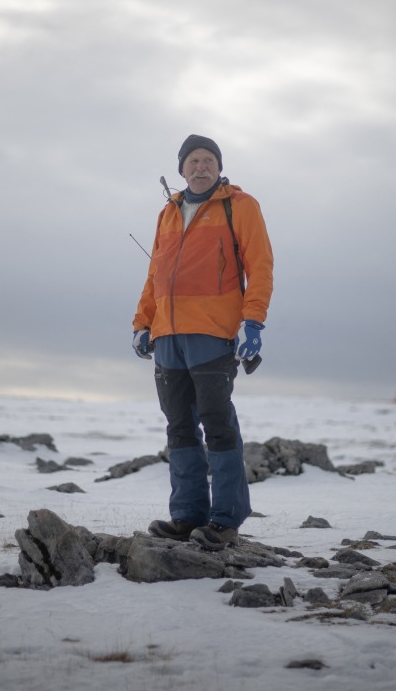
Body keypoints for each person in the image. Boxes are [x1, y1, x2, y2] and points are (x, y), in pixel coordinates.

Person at [131, 134, 274, 551]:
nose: (201, 166)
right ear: (182, 169)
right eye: (193, 160)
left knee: (217, 423)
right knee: (179, 426)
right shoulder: (168, 213)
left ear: (218, 167)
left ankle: (225, 519)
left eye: (208, 159)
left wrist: (253, 321)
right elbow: (155, 275)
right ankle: (187, 515)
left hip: (213, 332)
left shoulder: (240, 206)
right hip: (168, 336)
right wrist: (143, 322)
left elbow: (260, 265)